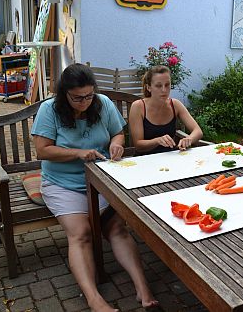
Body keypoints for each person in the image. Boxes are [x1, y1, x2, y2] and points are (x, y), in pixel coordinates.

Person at [31, 63, 158, 311]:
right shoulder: (49, 110)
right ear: (64, 94)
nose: (85, 102)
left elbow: (118, 133)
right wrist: (79, 153)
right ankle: (94, 299)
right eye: (77, 98)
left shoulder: (102, 103)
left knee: (117, 229)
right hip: (63, 184)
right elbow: (42, 150)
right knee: (81, 234)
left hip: (100, 180)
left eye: (89, 95)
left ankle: (143, 288)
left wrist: (116, 145)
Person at [129, 65, 203, 154]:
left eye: (167, 85)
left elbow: (198, 131)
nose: (164, 90)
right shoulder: (138, 107)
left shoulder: (175, 104)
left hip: (170, 158)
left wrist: (188, 139)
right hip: (145, 160)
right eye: (158, 86)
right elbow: (138, 145)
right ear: (149, 87)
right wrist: (157, 141)